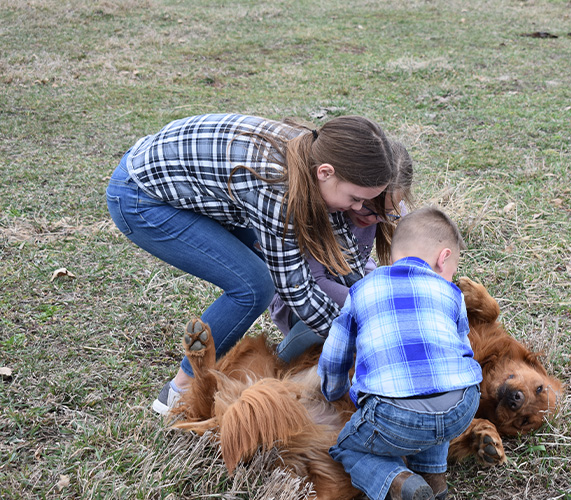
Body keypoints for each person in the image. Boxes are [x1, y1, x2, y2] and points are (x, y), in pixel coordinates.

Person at [105, 113, 397, 415]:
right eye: (355, 199)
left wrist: (373, 305)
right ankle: (179, 391)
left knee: (267, 269)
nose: (358, 209)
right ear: (325, 172)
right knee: (254, 285)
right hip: (141, 196)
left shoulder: (313, 154)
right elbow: (295, 288)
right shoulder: (276, 188)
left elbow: (342, 254)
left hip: (190, 186)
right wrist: (355, 338)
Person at [317, 206, 483, 500]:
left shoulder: (361, 290)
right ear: (443, 258)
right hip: (463, 405)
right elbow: (463, 352)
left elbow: (335, 354)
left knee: (344, 447)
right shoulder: (452, 294)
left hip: (394, 416)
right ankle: (434, 479)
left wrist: (333, 391)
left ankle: (398, 481)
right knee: (439, 383)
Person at [269, 140, 414, 362]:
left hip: (354, 284)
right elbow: (315, 282)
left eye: (387, 213)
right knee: (338, 324)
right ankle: (279, 361)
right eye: (368, 207)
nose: (375, 219)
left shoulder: (389, 209)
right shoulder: (322, 212)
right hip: (304, 299)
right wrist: (373, 302)